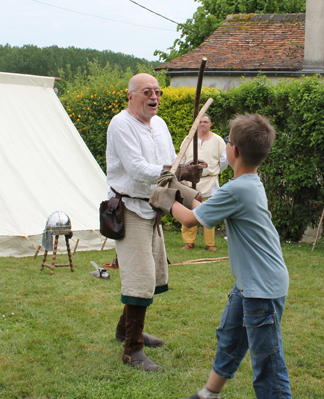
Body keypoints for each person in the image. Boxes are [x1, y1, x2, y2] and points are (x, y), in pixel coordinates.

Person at [150, 113, 292, 398]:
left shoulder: (237, 189)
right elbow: (208, 205)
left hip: (261, 289)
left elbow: (190, 220)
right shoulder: (249, 183)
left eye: (228, 141)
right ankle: (208, 394)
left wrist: (164, 198)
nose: (226, 144)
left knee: (268, 362)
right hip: (249, 283)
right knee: (230, 337)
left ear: (234, 151)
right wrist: (180, 189)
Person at [105, 73, 205, 371]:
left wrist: (189, 175)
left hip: (154, 208)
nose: (155, 97)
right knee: (141, 278)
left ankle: (126, 329)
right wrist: (180, 170)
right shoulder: (120, 124)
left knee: (154, 274)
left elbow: (171, 164)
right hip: (129, 208)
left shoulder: (159, 125)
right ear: (131, 96)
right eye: (147, 92)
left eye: (158, 92)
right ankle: (131, 349)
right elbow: (137, 170)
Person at [179, 114, 228, 251]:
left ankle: (209, 243)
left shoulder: (217, 140)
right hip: (190, 182)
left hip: (209, 181)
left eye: (205, 122)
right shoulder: (189, 139)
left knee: (209, 211)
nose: (203, 124)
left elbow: (224, 160)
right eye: (200, 122)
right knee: (190, 210)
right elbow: (182, 158)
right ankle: (189, 242)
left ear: (210, 124)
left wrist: (214, 171)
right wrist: (183, 176)